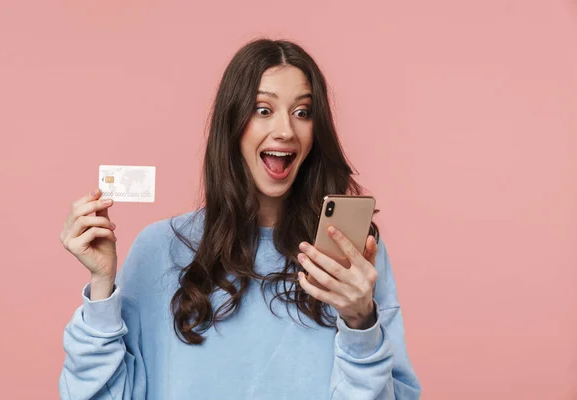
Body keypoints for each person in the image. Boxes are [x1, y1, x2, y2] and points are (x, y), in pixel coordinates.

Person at [58, 39, 421, 399]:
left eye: (302, 112)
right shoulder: (157, 250)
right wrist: (102, 288)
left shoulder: (352, 258)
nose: (285, 130)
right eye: (263, 110)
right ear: (232, 123)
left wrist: (361, 324)